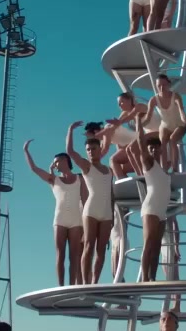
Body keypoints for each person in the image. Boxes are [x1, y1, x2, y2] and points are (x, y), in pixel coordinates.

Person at [23, 140, 86, 286]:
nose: (55, 164)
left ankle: (72, 286)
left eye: (57, 162)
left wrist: (86, 223)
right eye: (54, 163)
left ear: (65, 160)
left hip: (76, 220)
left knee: (74, 256)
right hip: (60, 220)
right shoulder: (54, 179)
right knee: (60, 254)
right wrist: (26, 151)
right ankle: (61, 286)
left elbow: (85, 200)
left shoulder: (80, 178)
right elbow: (34, 169)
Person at [125, 105, 173, 283]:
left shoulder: (163, 168)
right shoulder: (148, 163)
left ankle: (152, 277)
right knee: (149, 243)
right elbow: (140, 143)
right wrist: (138, 122)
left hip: (161, 210)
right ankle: (144, 277)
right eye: (151, 148)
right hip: (151, 207)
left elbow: (167, 143)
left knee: (157, 245)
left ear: (160, 150)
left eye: (156, 148)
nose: (153, 150)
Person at [67, 122, 115, 285]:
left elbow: (111, 193)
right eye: (88, 150)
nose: (90, 152)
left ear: (100, 149)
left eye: (93, 149)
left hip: (107, 212)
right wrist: (70, 130)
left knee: (102, 250)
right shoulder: (86, 166)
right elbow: (70, 152)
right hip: (91, 210)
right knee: (89, 246)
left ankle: (94, 282)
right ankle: (85, 283)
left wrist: (113, 215)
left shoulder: (109, 170)